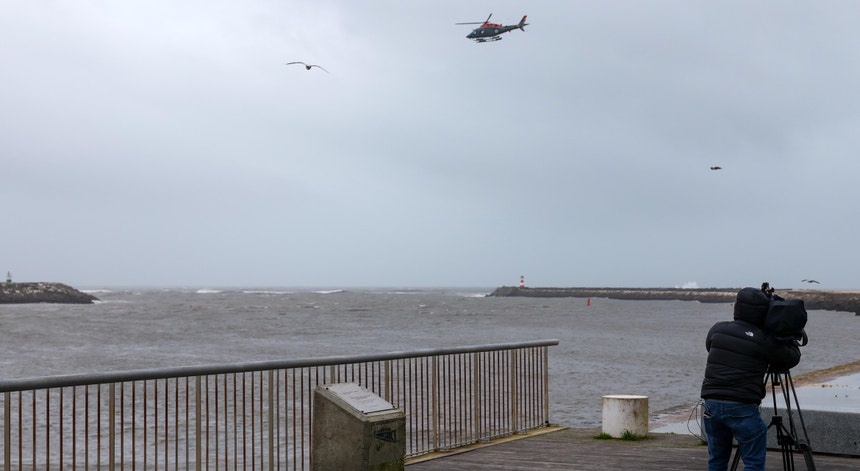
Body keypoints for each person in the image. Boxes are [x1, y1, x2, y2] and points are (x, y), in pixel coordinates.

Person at [700, 287, 801, 471]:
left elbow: (711, 346)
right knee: (753, 463)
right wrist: (786, 331)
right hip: (741, 406)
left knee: (717, 460)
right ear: (762, 312)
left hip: (711, 403)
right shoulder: (763, 339)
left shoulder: (718, 328)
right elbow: (792, 358)